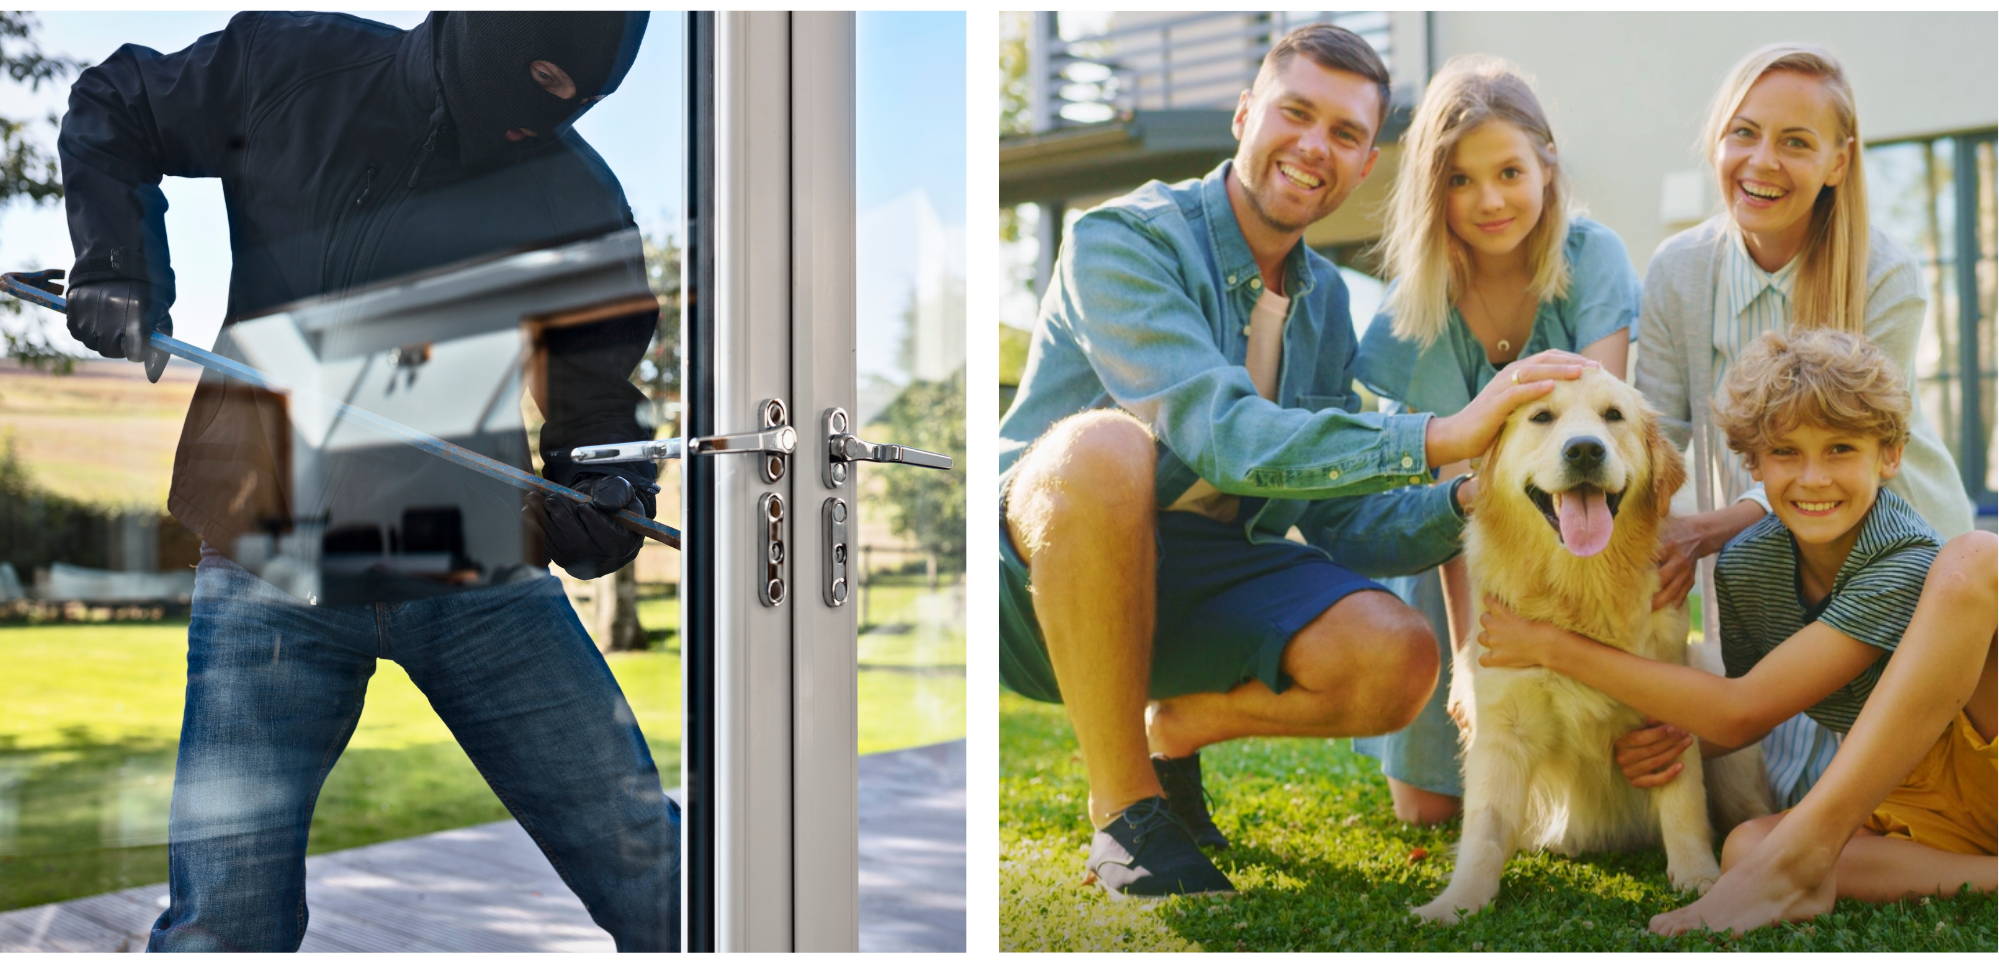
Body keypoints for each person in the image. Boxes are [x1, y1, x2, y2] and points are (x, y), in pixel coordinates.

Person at [56, 11, 677, 951]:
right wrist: (116, 261)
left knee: (657, 877)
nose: (556, 113)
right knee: (226, 922)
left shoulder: (575, 190)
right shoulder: (287, 66)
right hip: (269, 555)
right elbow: (115, 102)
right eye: (548, 79)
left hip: (478, 569)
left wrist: (611, 491)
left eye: (587, 100)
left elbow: (596, 401)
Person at [996, 23, 1595, 898]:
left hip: (1197, 577)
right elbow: (1219, 432)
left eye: (1346, 135)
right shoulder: (1121, 239)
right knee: (1104, 445)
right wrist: (1441, 432)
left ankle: (1178, 729)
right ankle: (1127, 811)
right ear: (1245, 115)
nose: (1314, 146)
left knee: (1398, 654)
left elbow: (1343, 519)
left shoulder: (1323, 312)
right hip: (1039, 584)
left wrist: (1471, 491)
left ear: (1363, 167)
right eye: (1295, 113)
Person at [1477, 328, 1996, 935]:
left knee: (1976, 557)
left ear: (1890, 456)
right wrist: (1672, 738)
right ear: (1752, 464)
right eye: (1786, 453)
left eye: (1840, 450)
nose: (1813, 478)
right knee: (1746, 848)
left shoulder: (1901, 558)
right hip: (1909, 801)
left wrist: (1551, 647)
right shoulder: (1751, 568)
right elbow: (1759, 708)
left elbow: (1738, 712)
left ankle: (1799, 863)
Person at [1631, 42, 1977, 812]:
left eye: (1795, 141)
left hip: (1890, 550)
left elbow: (1838, 451)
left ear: (1837, 162)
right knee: (1769, 802)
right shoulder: (1676, 271)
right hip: (1767, 572)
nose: (1762, 162)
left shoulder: (1881, 270)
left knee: (1885, 795)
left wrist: (1707, 528)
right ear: (1716, 142)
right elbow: (1654, 443)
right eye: (1743, 133)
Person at [1351, 55, 1641, 826]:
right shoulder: (1411, 311)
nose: (1488, 200)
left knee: (1609, 783)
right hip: (1467, 558)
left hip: (1585, 544)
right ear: (1430, 190)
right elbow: (1454, 502)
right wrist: (1472, 659)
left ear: (1546, 165)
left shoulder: (1592, 257)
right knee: (1426, 809)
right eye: (1458, 180)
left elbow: (1600, 441)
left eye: (1508, 171)